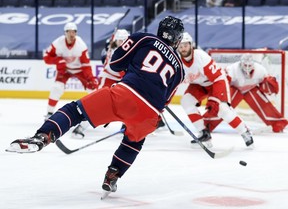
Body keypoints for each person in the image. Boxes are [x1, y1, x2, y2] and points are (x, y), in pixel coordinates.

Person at [7, 16, 185, 197]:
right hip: (150, 114)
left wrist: (132, 68)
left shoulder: (145, 38)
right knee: (134, 141)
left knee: (75, 110)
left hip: (125, 95)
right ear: (177, 38)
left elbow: (115, 64)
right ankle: (113, 175)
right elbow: (164, 103)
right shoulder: (180, 69)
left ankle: (43, 136)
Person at [177, 32, 254, 148]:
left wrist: (215, 101)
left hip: (216, 82)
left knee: (222, 110)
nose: (183, 49)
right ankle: (204, 133)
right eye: (180, 46)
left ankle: (245, 131)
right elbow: (170, 84)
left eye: (185, 45)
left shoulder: (200, 56)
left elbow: (218, 78)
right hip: (199, 85)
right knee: (186, 101)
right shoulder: (177, 62)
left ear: (191, 44)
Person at [204, 54, 288, 133]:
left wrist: (270, 86)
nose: (247, 68)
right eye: (245, 65)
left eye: (249, 65)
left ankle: (277, 123)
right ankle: (207, 123)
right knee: (223, 105)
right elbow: (222, 83)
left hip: (250, 90)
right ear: (241, 64)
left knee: (263, 102)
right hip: (235, 90)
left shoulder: (260, 70)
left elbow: (269, 84)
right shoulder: (232, 69)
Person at [71, 29, 130, 138]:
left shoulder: (118, 49)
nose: (122, 43)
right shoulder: (116, 52)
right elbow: (122, 70)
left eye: (124, 41)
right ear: (116, 41)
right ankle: (79, 128)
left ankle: (126, 127)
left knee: (127, 104)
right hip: (108, 79)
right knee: (98, 106)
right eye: (119, 41)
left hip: (119, 80)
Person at [43, 22, 98, 120]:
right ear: (65, 33)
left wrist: (90, 78)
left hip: (79, 70)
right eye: (69, 32)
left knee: (92, 89)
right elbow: (46, 58)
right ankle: (49, 113)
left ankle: (95, 113)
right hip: (64, 70)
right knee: (57, 88)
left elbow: (86, 65)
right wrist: (57, 61)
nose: (72, 34)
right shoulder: (57, 43)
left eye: (74, 32)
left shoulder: (81, 45)